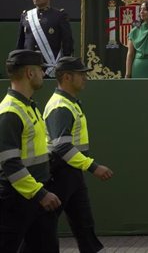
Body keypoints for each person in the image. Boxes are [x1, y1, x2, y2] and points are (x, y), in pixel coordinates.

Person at [44, 56, 114, 253]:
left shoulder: (70, 103)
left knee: (84, 224)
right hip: (60, 174)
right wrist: (93, 167)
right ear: (67, 77)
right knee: (43, 227)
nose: (85, 78)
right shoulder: (60, 107)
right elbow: (62, 148)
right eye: (81, 75)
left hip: (71, 173)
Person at [0, 49, 61, 252]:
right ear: (30, 73)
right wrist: (40, 193)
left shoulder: (28, 106)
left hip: (35, 196)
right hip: (16, 199)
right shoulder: (10, 112)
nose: (43, 74)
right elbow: (10, 163)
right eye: (41, 70)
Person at [17, 0, 74, 77]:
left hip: (50, 69)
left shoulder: (59, 16)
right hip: (29, 69)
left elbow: (67, 44)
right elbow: (20, 44)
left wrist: (64, 66)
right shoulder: (26, 16)